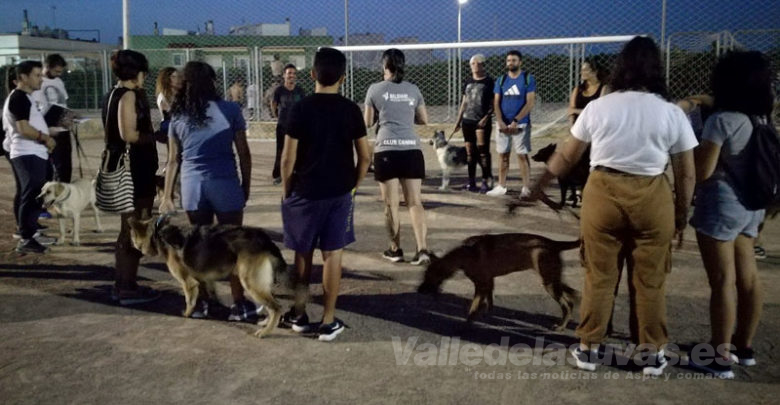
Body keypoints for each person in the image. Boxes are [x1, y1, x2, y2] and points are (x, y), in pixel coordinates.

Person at [526, 37, 697, 375]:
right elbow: (686, 173)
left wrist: (537, 187)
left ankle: (589, 347)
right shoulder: (670, 112)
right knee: (649, 281)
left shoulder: (599, 107)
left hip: (603, 192)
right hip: (652, 195)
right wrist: (680, 216)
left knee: (600, 276)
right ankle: (651, 353)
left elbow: (567, 156)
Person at [688, 51, 773, 379]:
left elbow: (703, 171)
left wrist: (695, 145)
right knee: (748, 277)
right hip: (752, 205)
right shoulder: (760, 118)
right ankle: (744, 346)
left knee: (723, 281)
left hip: (722, 206)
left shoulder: (721, 120)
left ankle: (718, 355)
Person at [279, 47, 370, 341]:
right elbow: (365, 157)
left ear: (312, 74)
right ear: (343, 78)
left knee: (302, 253)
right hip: (339, 193)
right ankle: (328, 320)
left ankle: (298, 314)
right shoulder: (351, 110)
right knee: (333, 255)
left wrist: (287, 190)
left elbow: (287, 159)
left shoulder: (300, 108)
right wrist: (353, 186)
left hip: (305, 191)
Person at [160, 61, 259, 322]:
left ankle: (203, 303)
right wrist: (246, 186)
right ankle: (239, 304)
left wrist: (167, 196)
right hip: (224, 182)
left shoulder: (177, 115)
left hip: (192, 186)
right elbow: (244, 153)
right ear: (212, 82)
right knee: (233, 245)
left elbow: (173, 160)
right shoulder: (230, 109)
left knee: (198, 246)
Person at [364, 48, 432, 265]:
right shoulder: (413, 89)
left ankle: (395, 250)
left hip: (386, 150)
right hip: (411, 149)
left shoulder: (375, 89)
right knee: (415, 202)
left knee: (391, 204)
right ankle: (422, 250)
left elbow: (368, 122)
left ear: (385, 66)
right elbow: (424, 119)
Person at [104, 50, 160, 305]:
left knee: (128, 228)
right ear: (137, 72)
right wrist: (155, 135)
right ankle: (126, 287)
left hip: (124, 169)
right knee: (135, 228)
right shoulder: (127, 96)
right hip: (134, 170)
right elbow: (129, 134)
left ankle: (124, 283)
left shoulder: (112, 94)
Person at [2, 61, 57, 253]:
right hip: (27, 152)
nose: (41, 79)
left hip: (33, 152)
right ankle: (26, 238)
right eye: (37, 75)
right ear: (23, 77)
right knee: (31, 194)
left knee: (33, 194)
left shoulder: (25, 97)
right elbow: (24, 129)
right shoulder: (19, 98)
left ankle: (31, 233)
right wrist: (46, 138)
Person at [487, 50, 536, 197]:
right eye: (508, 60)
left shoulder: (527, 79)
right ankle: (501, 186)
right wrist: (500, 121)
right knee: (503, 155)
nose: (510, 63)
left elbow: (530, 103)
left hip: (521, 124)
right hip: (503, 124)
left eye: (514, 60)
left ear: (520, 62)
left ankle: (526, 188)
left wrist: (516, 120)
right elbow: (496, 102)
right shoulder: (501, 80)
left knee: (522, 155)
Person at [453, 53, 494, 193]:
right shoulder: (468, 81)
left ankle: (486, 180)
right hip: (467, 121)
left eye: (478, 63)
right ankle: (471, 182)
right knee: (470, 152)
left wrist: (486, 117)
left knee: (483, 152)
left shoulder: (489, 82)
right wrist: (458, 121)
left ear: (483, 65)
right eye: (472, 63)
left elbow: (494, 103)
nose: (475, 66)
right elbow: (464, 103)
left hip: (481, 121)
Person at [33, 54, 71, 183]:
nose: (59, 74)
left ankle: (65, 188)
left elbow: (63, 103)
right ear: (47, 67)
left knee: (65, 164)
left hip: (62, 128)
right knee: (50, 165)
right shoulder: (38, 83)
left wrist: (71, 118)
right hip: (47, 128)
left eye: (61, 71)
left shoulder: (59, 82)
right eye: (56, 71)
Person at [271, 64, 305, 185]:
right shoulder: (279, 90)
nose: (292, 76)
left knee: (298, 150)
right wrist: (277, 116)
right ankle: (278, 174)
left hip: (297, 126)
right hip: (283, 126)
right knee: (281, 150)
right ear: (284, 75)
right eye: (289, 73)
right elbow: (274, 104)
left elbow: (303, 106)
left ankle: (296, 173)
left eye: (294, 73)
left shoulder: (300, 91)